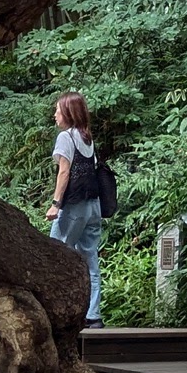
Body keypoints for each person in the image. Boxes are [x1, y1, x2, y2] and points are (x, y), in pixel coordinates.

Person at [46, 92, 106, 327]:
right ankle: (93, 315)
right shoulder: (87, 137)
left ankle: (59, 312)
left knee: (56, 254)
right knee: (90, 259)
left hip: (74, 207)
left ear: (68, 114)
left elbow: (64, 172)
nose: (55, 115)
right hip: (94, 206)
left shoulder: (66, 137)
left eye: (58, 111)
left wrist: (55, 204)